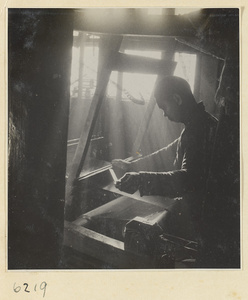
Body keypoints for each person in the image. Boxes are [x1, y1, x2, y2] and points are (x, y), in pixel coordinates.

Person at [112, 76, 218, 257]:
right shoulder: (200, 122)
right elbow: (170, 150)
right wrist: (132, 166)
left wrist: (140, 180)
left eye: (164, 107)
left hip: (208, 219)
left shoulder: (198, 129)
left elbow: (189, 179)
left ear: (177, 99)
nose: (164, 114)